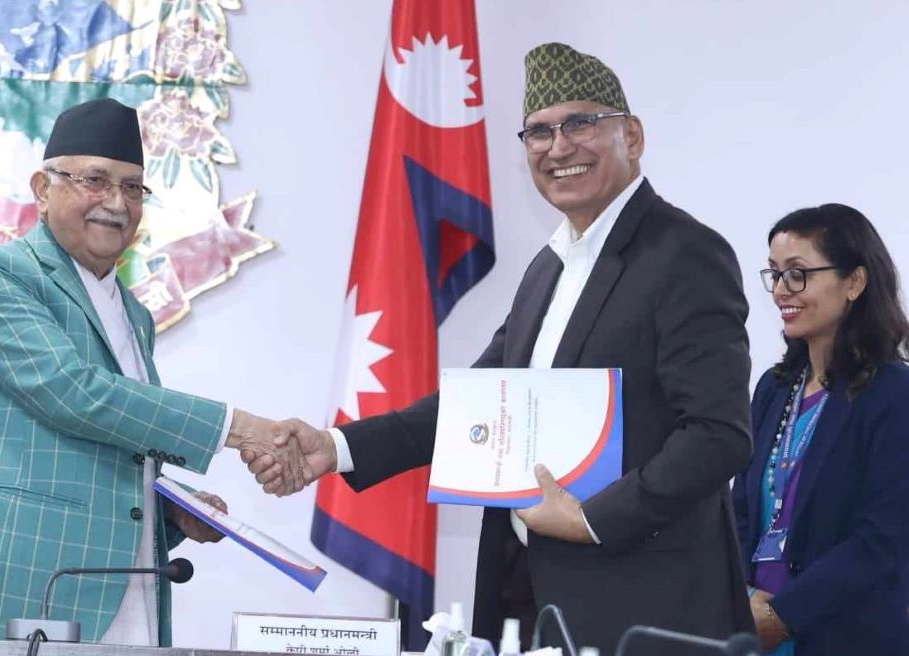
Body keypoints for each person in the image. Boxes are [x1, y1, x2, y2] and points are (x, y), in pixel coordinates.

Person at [248, 43, 754, 653]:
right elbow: (475, 407)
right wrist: (335, 447)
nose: (558, 147)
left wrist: (591, 520)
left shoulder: (685, 254)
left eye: (580, 123)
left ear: (633, 136)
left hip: (645, 610)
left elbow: (717, 434)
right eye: (539, 131)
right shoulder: (549, 266)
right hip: (531, 598)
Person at [0, 98, 303, 645]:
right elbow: (73, 394)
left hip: (124, 586)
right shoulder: (1, 275)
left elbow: (107, 451)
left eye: (132, 188)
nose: (116, 203)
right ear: (43, 188)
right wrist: (238, 428)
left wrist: (172, 514)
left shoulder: (134, 314)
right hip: (25, 580)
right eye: (95, 181)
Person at [732, 204, 909, 654]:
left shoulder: (894, 394)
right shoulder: (773, 389)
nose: (781, 291)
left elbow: (883, 539)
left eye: (798, 274)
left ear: (854, 282)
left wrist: (785, 615)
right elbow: (741, 512)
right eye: (775, 274)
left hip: (844, 634)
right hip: (752, 628)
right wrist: (736, 600)